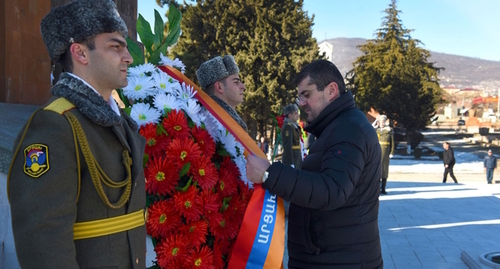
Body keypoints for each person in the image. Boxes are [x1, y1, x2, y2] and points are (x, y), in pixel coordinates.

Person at [7, 1, 147, 268]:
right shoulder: (54, 126)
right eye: (115, 47)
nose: (128, 57)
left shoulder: (115, 121)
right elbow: (44, 243)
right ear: (80, 53)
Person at [246, 60, 383, 268]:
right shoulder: (338, 126)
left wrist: (269, 175)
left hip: (339, 261)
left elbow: (332, 189)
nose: (301, 103)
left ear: (331, 90)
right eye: (299, 96)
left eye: (306, 95)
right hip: (332, 257)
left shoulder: (349, 129)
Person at [196, 55, 248, 131]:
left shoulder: (209, 118)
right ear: (219, 87)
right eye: (236, 82)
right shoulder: (219, 125)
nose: (243, 86)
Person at [375, 115, 394, 194]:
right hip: (376, 154)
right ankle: (377, 189)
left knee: (384, 171)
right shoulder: (376, 130)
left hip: (385, 153)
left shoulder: (389, 130)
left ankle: (383, 188)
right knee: (377, 171)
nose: (382, 123)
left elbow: (392, 143)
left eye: (383, 122)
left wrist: (392, 152)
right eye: (380, 122)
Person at [281, 104, 303, 169]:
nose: (298, 115)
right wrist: (291, 163)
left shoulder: (294, 126)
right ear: (290, 115)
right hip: (292, 158)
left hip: (296, 158)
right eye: (295, 113)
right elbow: (288, 146)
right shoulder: (288, 127)